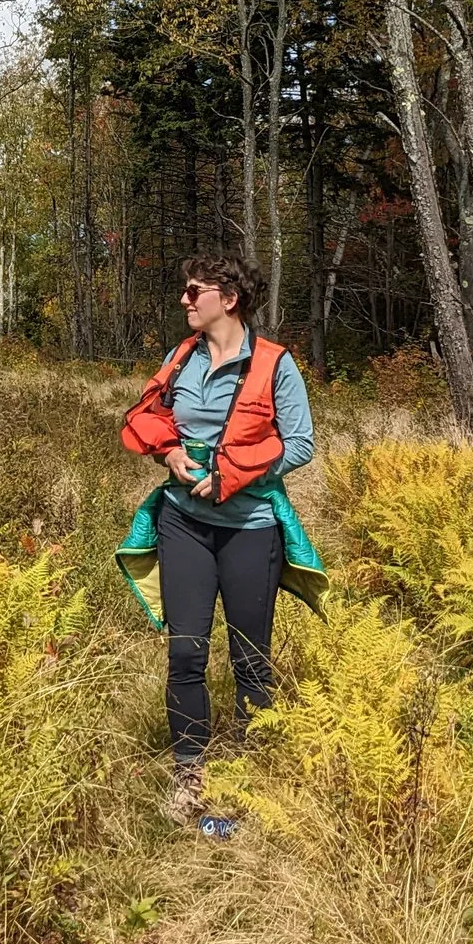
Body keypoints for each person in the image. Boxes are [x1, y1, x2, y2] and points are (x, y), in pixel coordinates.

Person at [116, 253, 329, 826]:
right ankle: (191, 777)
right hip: (182, 522)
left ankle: (251, 778)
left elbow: (301, 443)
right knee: (185, 651)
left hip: (251, 530)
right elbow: (148, 415)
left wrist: (234, 474)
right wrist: (171, 452)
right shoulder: (178, 358)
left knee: (250, 659)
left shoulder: (275, 365)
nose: (184, 300)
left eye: (194, 291)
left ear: (228, 299)